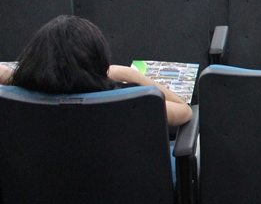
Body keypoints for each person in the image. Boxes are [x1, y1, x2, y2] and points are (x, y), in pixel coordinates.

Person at [0, 15, 192, 127]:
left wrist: (21, 73)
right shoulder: (132, 102)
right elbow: (184, 110)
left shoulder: (14, 99)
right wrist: (130, 74)